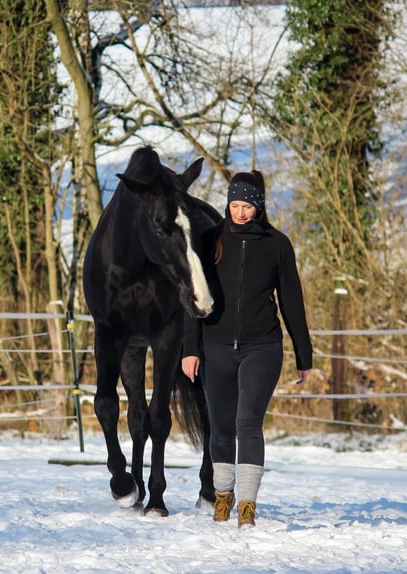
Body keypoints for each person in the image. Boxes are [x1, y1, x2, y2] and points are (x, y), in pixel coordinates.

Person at [181, 170, 312, 528]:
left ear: (259, 206)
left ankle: (247, 507)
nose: (239, 212)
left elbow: (292, 302)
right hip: (215, 347)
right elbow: (194, 299)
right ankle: (222, 497)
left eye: (247, 206)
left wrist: (304, 355)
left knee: (247, 423)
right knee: (220, 427)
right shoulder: (209, 241)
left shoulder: (277, 245)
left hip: (262, 346)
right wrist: (190, 349)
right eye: (234, 205)